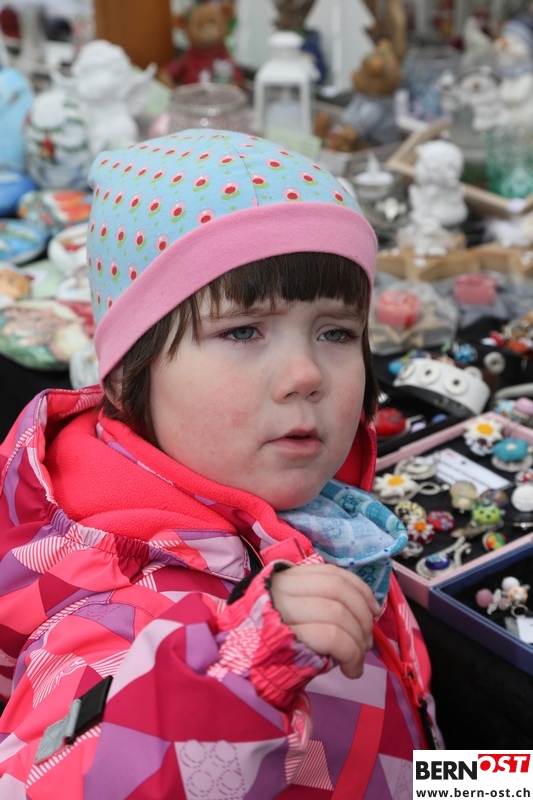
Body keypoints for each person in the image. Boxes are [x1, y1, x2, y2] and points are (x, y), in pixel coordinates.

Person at [0, 128, 440, 799]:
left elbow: (394, 763)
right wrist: (241, 668)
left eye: (335, 332)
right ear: (128, 373)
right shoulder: (112, 607)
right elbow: (56, 782)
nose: (305, 374)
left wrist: (500, 782)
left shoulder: (327, 523)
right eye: (242, 331)